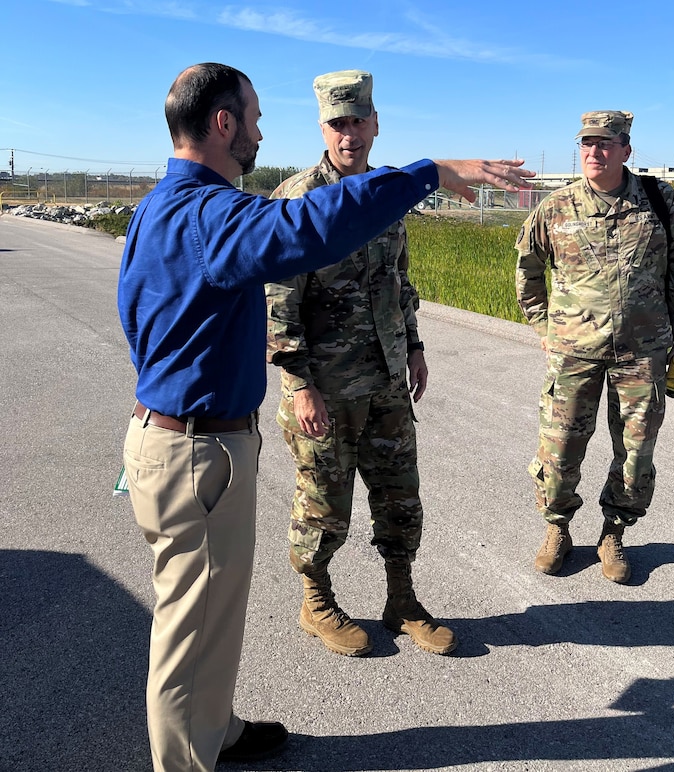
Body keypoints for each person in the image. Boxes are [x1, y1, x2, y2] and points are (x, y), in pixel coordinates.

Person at [118, 61, 533, 772]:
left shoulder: (163, 207)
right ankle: (187, 757)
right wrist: (427, 171)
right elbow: (308, 226)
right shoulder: (208, 214)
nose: (257, 131)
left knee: (214, 620)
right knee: (190, 634)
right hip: (194, 450)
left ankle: (215, 729)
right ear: (223, 124)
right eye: (251, 118)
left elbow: (138, 320)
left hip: (186, 437)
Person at [266, 70, 455, 659]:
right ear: (323, 127)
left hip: (386, 379)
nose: (349, 134)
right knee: (324, 498)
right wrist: (299, 385)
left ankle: (401, 599)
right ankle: (315, 600)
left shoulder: (386, 192)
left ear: (375, 124)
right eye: (337, 124)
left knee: (400, 496)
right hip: (323, 386)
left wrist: (416, 347)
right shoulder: (299, 199)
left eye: (358, 122)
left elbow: (399, 280)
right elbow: (277, 300)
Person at [515, 110, 674, 584]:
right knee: (560, 451)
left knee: (636, 454)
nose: (593, 152)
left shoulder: (660, 202)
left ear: (626, 150)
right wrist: (544, 326)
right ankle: (557, 528)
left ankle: (614, 532)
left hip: (643, 354)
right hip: (574, 352)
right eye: (586, 144)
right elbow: (527, 272)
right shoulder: (555, 209)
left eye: (605, 144)